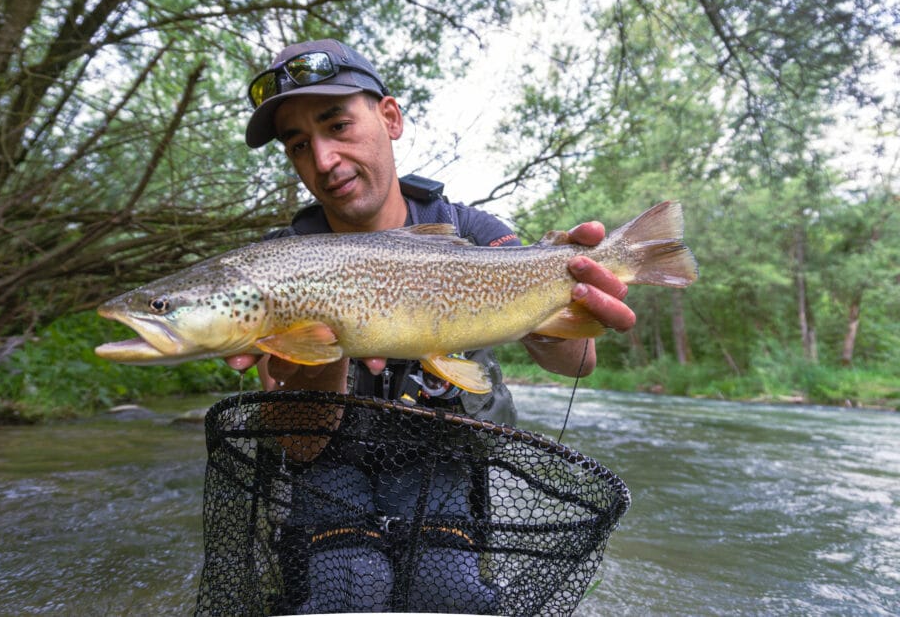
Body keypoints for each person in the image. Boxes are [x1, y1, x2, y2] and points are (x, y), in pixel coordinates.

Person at [223, 38, 637, 613]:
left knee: (451, 594)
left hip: (443, 465)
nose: (322, 161)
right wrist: (324, 350)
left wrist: (569, 294)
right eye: (298, 145)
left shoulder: (472, 230)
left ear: (389, 117)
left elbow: (579, 362)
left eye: (337, 125)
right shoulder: (280, 262)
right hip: (328, 472)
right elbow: (299, 442)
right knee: (351, 589)